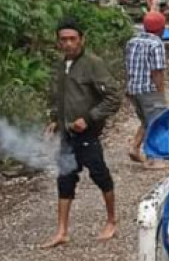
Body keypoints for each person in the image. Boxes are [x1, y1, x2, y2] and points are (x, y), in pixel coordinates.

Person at [43, 19, 122, 248]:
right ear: (58, 42)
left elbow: (113, 98)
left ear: (82, 39)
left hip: (87, 134)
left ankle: (111, 221)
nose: (68, 44)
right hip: (67, 135)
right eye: (63, 39)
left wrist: (88, 119)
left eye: (72, 39)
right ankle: (62, 231)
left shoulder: (92, 64)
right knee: (65, 178)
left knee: (99, 174)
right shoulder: (60, 66)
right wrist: (54, 119)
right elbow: (61, 98)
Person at [126, 11, 169, 169]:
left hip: (134, 88)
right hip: (149, 89)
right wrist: (160, 92)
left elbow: (128, 65)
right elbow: (157, 71)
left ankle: (134, 147)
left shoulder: (132, 41)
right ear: (161, 28)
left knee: (145, 120)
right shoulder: (156, 44)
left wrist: (128, 86)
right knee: (156, 123)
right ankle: (154, 158)